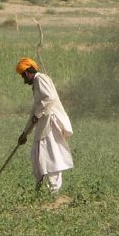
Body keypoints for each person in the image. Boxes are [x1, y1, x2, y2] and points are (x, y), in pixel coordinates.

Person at [15, 58, 73, 194]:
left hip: (51, 124)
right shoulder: (36, 83)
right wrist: (25, 133)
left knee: (52, 157)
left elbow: (49, 98)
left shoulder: (41, 78)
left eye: (23, 75)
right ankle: (40, 188)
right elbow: (35, 110)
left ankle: (53, 191)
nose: (23, 79)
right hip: (43, 125)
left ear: (29, 71)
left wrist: (38, 115)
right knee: (38, 155)